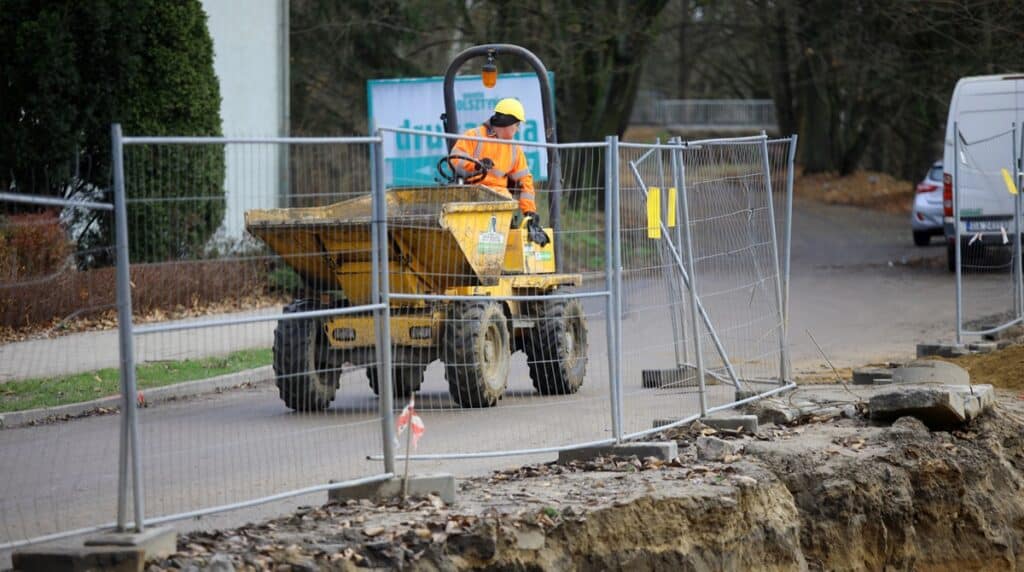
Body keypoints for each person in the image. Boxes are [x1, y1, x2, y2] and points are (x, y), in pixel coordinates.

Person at [448, 98, 548, 246]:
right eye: (517, 124)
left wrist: (530, 214)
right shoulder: (474, 136)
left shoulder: (514, 149)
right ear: (507, 122)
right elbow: (455, 159)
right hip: (472, 199)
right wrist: (476, 165)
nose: (518, 129)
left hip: (501, 205)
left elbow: (525, 182)